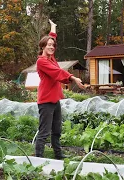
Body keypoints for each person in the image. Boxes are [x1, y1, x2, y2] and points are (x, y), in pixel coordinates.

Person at [35, 19, 85, 159]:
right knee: (44, 132)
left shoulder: (51, 58)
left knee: (56, 130)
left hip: (55, 99)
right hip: (45, 101)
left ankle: (58, 156)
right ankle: (37, 159)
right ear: (43, 46)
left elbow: (53, 38)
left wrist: (53, 28)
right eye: (48, 45)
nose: (51, 47)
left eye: (53, 45)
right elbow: (57, 73)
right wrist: (73, 78)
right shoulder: (42, 61)